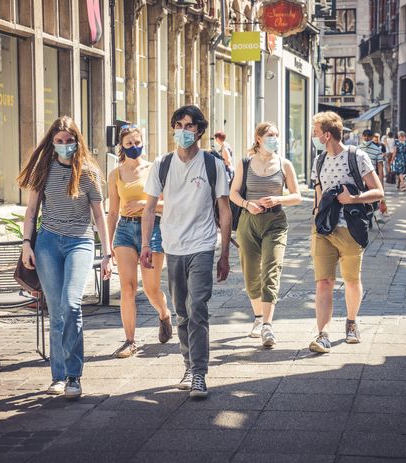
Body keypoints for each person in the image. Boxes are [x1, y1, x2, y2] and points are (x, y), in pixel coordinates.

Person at [17, 116, 112, 400]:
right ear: (51, 143)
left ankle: (74, 376)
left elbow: (99, 215)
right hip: (47, 244)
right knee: (56, 311)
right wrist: (26, 245)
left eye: (69, 141)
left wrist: (107, 254)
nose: (64, 146)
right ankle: (59, 377)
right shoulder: (43, 169)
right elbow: (32, 212)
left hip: (79, 243)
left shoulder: (88, 173)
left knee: (72, 305)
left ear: (77, 141)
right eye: (58, 141)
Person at [141, 105, 231, 399]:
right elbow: (150, 207)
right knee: (181, 312)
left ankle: (199, 374)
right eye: (178, 124)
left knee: (198, 309)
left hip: (203, 245)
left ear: (199, 131)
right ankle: (188, 364)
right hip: (173, 246)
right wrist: (145, 245)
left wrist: (225, 252)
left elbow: (224, 210)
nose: (182, 130)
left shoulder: (212, 164)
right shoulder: (162, 164)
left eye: (189, 126)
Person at [309, 111, 384, 352]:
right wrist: (316, 214)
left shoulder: (357, 157)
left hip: (350, 229)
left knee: (351, 282)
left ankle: (351, 323)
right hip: (323, 231)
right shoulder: (318, 160)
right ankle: (323, 334)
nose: (313, 136)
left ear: (326, 135)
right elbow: (318, 194)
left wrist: (353, 198)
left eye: (315, 132)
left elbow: (379, 191)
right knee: (323, 283)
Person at [230, 122, 302, 347]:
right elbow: (232, 193)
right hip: (248, 222)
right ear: (258, 138)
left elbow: (297, 196)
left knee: (272, 269)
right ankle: (258, 318)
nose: (275, 139)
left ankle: (268, 326)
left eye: (277, 135)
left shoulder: (284, 164)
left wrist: (278, 199)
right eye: (271, 135)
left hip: (275, 222)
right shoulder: (245, 163)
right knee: (251, 272)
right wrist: (246, 204)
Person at [106, 122, 173, 359]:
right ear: (121, 147)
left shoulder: (155, 168)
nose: (134, 147)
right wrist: (108, 243)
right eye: (129, 144)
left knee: (151, 289)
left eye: (137, 143)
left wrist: (145, 204)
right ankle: (129, 341)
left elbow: (169, 203)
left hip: (152, 229)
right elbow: (112, 211)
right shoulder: (115, 174)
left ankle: (164, 314)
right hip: (125, 230)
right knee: (127, 287)